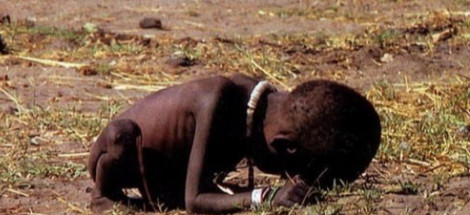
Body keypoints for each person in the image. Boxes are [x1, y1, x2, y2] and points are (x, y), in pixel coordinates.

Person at [87, 74, 381, 213]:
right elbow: (194, 201)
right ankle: (104, 197)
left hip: (168, 173)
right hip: (122, 157)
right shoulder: (217, 101)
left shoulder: (263, 109)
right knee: (120, 137)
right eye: (291, 171)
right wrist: (264, 196)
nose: (289, 178)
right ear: (284, 146)